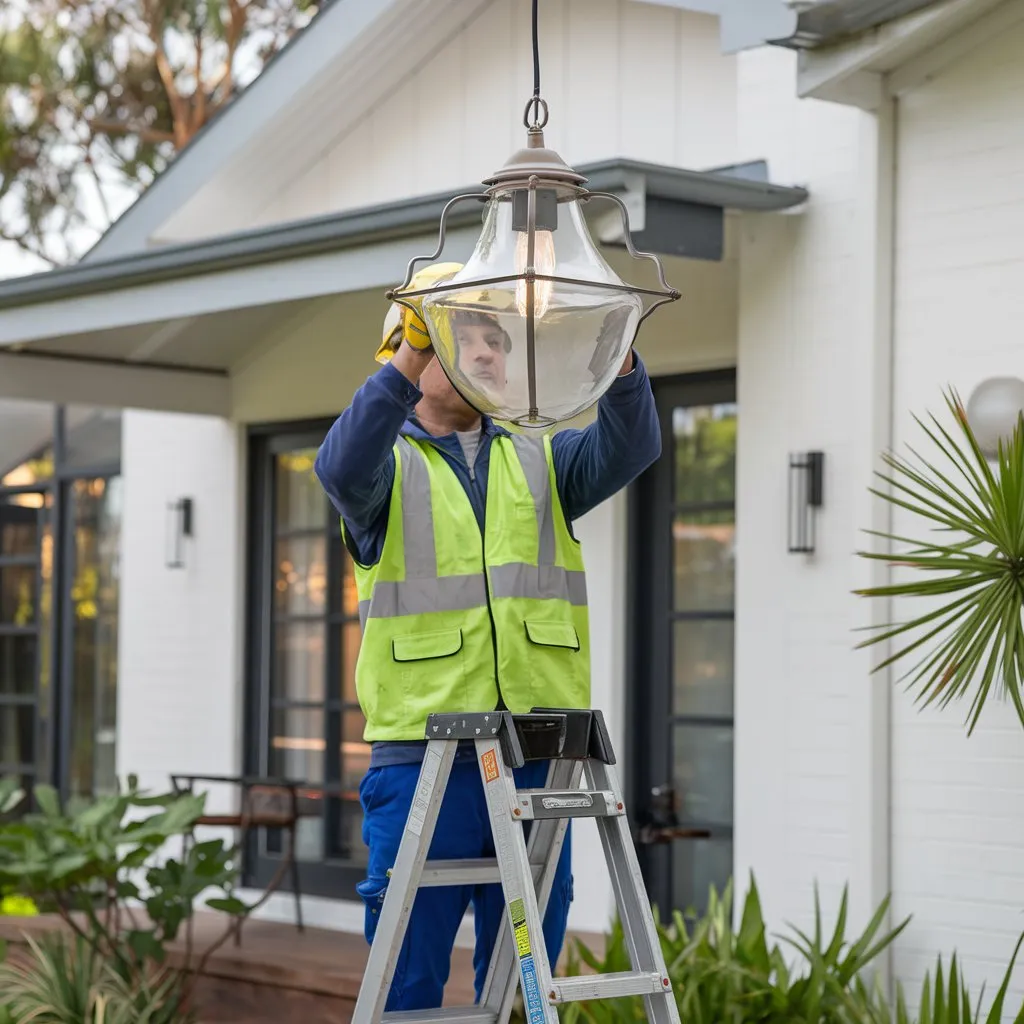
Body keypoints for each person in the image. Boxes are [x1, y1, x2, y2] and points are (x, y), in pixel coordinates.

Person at [313, 263, 661, 1011]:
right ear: (409, 355)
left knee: (527, 992)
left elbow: (632, 446)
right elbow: (339, 465)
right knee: (412, 990)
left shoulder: (541, 458)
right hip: (425, 760)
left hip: (540, 755)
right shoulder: (384, 469)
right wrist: (410, 345)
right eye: (461, 337)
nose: (486, 355)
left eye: (496, 342)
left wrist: (619, 352)